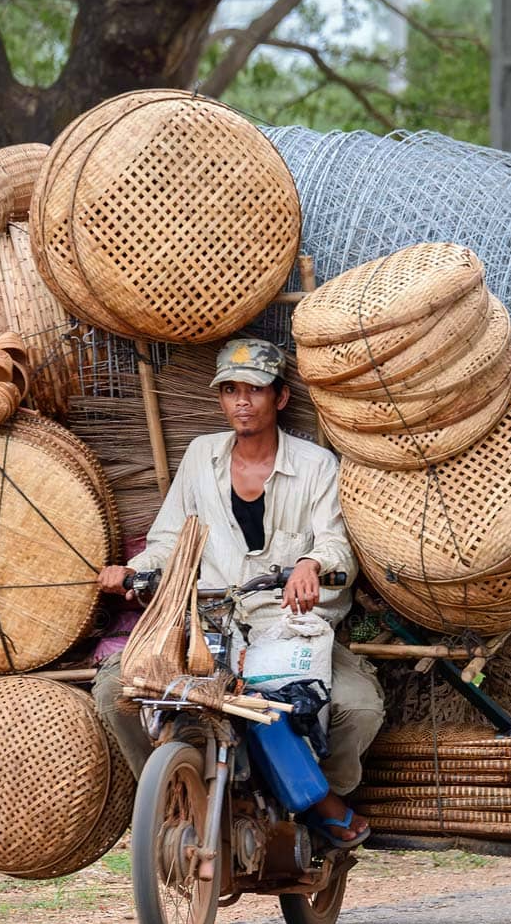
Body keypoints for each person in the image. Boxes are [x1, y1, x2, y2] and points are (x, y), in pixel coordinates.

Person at [92, 337, 379, 848]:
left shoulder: (316, 465)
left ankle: (315, 804)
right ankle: (166, 799)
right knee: (117, 691)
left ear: (281, 398)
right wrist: (131, 570)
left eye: (255, 390)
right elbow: (167, 541)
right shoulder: (202, 457)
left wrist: (313, 564)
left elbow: (336, 542)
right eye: (230, 390)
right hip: (207, 624)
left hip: (286, 626)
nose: (241, 401)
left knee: (358, 707)